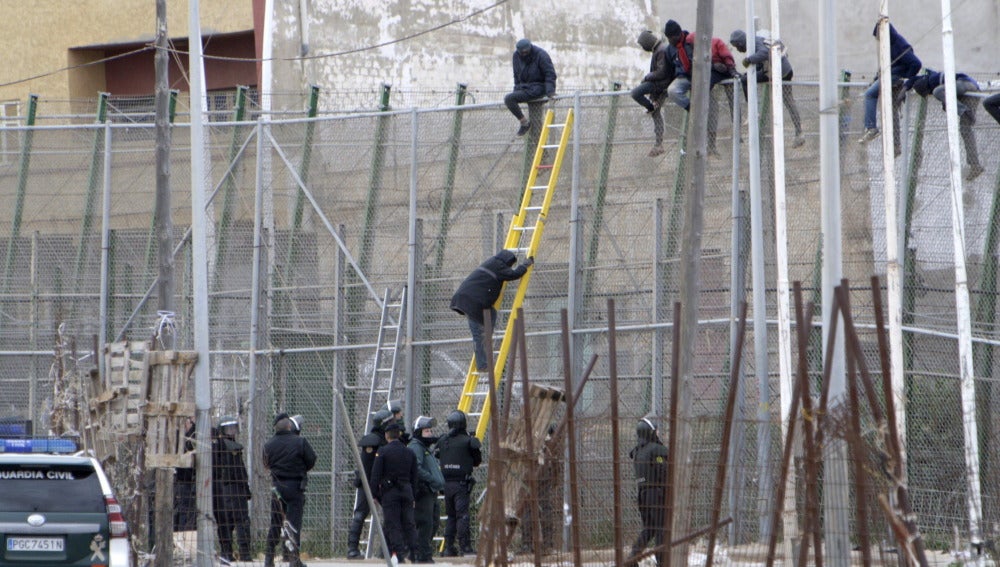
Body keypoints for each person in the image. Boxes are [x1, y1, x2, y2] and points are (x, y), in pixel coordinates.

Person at [663, 20, 739, 154]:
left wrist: (713, 67)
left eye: (671, 37)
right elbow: (667, 70)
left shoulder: (692, 41)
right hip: (685, 77)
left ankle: (711, 144)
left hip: (702, 75)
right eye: (667, 38)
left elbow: (707, 58)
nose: (669, 40)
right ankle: (692, 109)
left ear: (678, 34)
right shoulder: (670, 50)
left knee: (711, 109)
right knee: (672, 91)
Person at [450, 250, 534, 372]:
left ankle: (486, 344)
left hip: (470, 301)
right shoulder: (499, 266)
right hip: (472, 303)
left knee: (490, 317)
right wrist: (526, 264)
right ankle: (483, 365)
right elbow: (514, 274)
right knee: (479, 335)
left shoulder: (491, 262)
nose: (509, 267)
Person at [729, 29, 805, 147]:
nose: (738, 50)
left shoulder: (755, 42)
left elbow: (765, 53)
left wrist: (749, 60)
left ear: (741, 43)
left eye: (737, 47)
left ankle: (753, 111)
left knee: (788, 101)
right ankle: (798, 132)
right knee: (788, 101)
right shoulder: (755, 42)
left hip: (780, 72)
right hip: (779, 70)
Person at [904, 70, 985, 181]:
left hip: (966, 85)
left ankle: (965, 111)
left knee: (938, 92)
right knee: (965, 130)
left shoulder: (933, 81)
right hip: (968, 92)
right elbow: (913, 79)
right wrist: (904, 88)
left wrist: (946, 102)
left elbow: (942, 90)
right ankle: (975, 165)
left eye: (928, 92)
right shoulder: (930, 78)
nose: (930, 94)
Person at [263, 413, 316, 567]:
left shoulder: (268, 445)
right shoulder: (300, 442)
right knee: (293, 524)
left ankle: (268, 559)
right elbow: (311, 460)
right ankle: (294, 559)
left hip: (277, 487)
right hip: (294, 486)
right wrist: (300, 468)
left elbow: (265, 463)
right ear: (289, 426)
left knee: (275, 523)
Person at [859, 22, 922, 149]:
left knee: (869, 94)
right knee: (888, 108)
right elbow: (886, 66)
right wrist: (876, 79)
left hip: (895, 77)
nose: (878, 41)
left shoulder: (898, 44)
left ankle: (871, 128)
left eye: (879, 37)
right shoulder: (888, 45)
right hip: (888, 76)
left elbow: (916, 63)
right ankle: (893, 145)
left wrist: (906, 80)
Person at [347, 408, 393, 560]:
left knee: (390, 515)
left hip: (378, 483)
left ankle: (385, 550)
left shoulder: (383, 441)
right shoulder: (374, 441)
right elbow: (368, 467)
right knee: (360, 514)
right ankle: (352, 548)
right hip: (370, 483)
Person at [436, 410, 483, 556]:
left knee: (451, 516)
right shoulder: (468, 441)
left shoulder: (443, 440)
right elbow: (477, 461)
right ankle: (465, 547)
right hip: (461, 484)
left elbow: (437, 454)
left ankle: (448, 547)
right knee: (462, 515)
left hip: (446, 484)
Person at [370, 421, 418, 564]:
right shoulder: (409, 452)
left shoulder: (383, 452)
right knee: (409, 523)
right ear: (399, 435)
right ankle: (415, 552)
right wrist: (413, 495)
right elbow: (415, 476)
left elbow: (375, 475)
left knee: (393, 524)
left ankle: (400, 554)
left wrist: (374, 494)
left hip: (390, 493)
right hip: (407, 490)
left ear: (386, 435)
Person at [629, 417, 669, 567]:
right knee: (661, 529)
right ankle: (662, 562)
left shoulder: (638, 452)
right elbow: (663, 470)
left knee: (649, 528)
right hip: (655, 495)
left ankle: (632, 557)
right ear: (650, 432)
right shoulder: (655, 450)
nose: (658, 433)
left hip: (642, 495)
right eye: (656, 430)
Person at [212, 416, 252, 562]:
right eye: (228, 429)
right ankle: (233, 553)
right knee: (234, 522)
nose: (232, 432)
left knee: (230, 522)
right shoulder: (224, 447)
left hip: (229, 489)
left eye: (233, 428)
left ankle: (235, 553)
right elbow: (238, 472)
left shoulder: (230, 446)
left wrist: (245, 489)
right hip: (229, 489)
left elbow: (240, 471)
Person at [631, 30, 675, 157]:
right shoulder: (658, 49)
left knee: (635, 93)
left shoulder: (661, 50)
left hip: (660, 85)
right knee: (656, 114)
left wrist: (647, 77)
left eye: (642, 45)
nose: (643, 48)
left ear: (647, 42)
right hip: (659, 85)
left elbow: (662, 72)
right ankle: (658, 144)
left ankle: (650, 106)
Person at [408, 416, 446, 563]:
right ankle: (421, 554)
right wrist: (431, 479)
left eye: (430, 430)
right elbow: (416, 467)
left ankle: (423, 551)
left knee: (433, 522)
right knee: (425, 523)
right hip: (423, 491)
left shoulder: (424, 448)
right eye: (426, 431)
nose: (430, 433)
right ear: (418, 432)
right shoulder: (416, 446)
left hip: (431, 491)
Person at [504, 38, 557, 136]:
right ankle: (524, 122)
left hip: (539, 87)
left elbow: (550, 74)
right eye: (522, 53)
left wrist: (550, 92)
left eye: (527, 52)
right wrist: (516, 91)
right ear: (519, 52)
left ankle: (525, 125)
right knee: (510, 99)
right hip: (525, 88)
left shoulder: (541, 55)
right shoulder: (516, 56)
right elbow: (516, 75)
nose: (525, 54)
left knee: (509, 98)